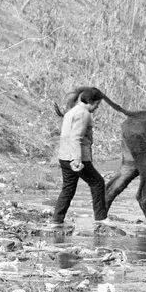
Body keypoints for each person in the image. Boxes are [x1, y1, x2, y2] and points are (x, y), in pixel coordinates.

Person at [53, 87, 109, 228]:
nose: (97, 107)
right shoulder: (83, 114)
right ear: (91, 101)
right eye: (97, 104)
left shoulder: (71, 112)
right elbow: (76, 137)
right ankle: (101, 219)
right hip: (76, 157)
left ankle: (57, 220)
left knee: (68, 189)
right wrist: (77, 159)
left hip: (64, 156)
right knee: (97, 182)